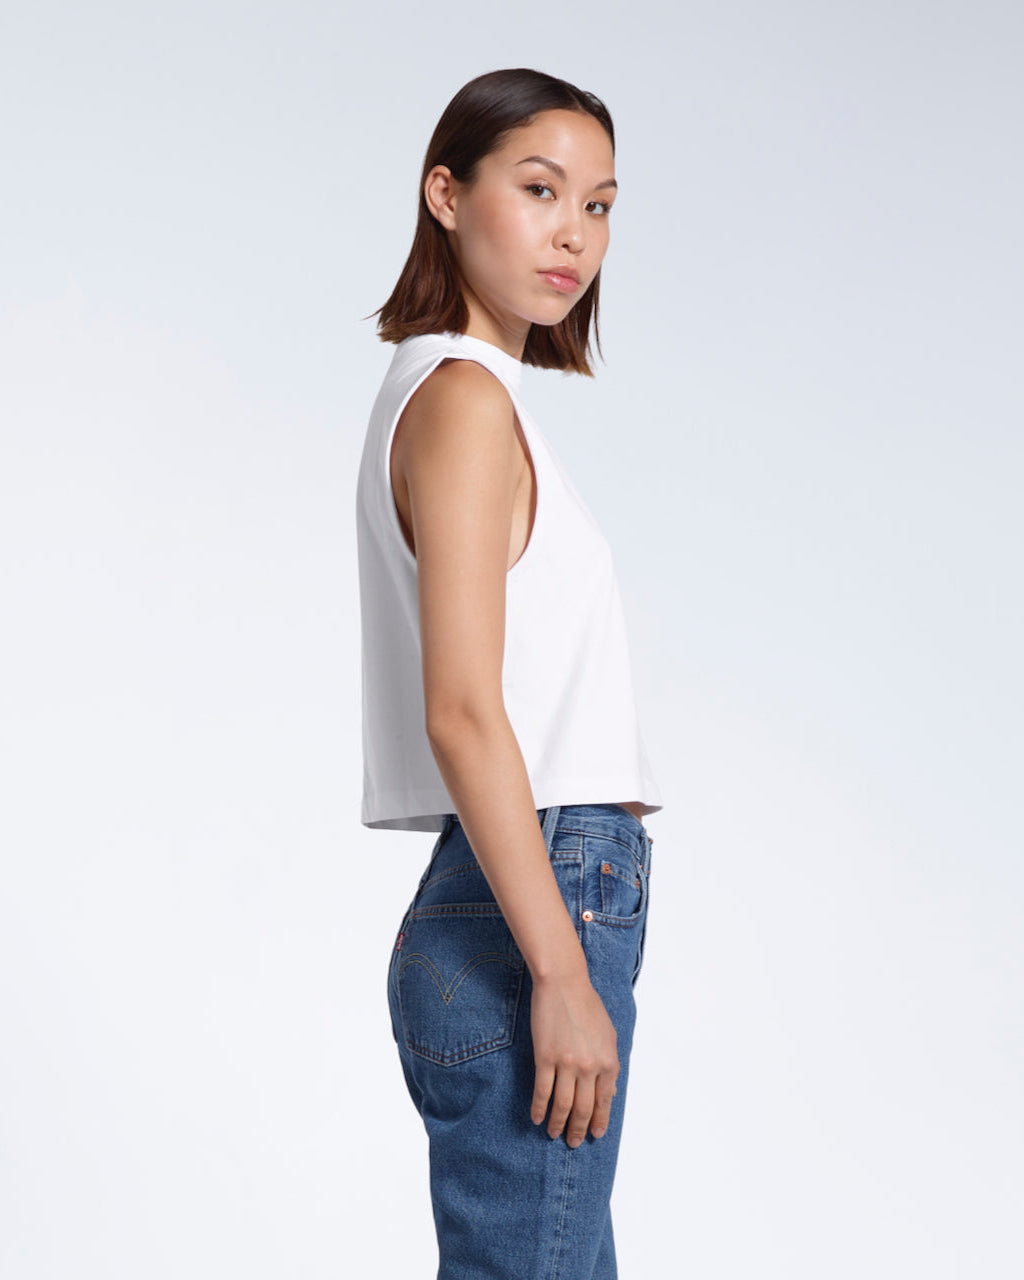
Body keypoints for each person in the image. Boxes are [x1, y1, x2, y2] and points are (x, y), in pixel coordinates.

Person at [356, 67, 663, 1280]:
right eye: (538, 189)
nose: (571, 235)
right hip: (532, 896)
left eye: (597, 205)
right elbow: (463, 710)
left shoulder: (446, 395)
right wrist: (559, 967)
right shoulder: (465, 399)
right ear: (446, 192)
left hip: (501, 888)